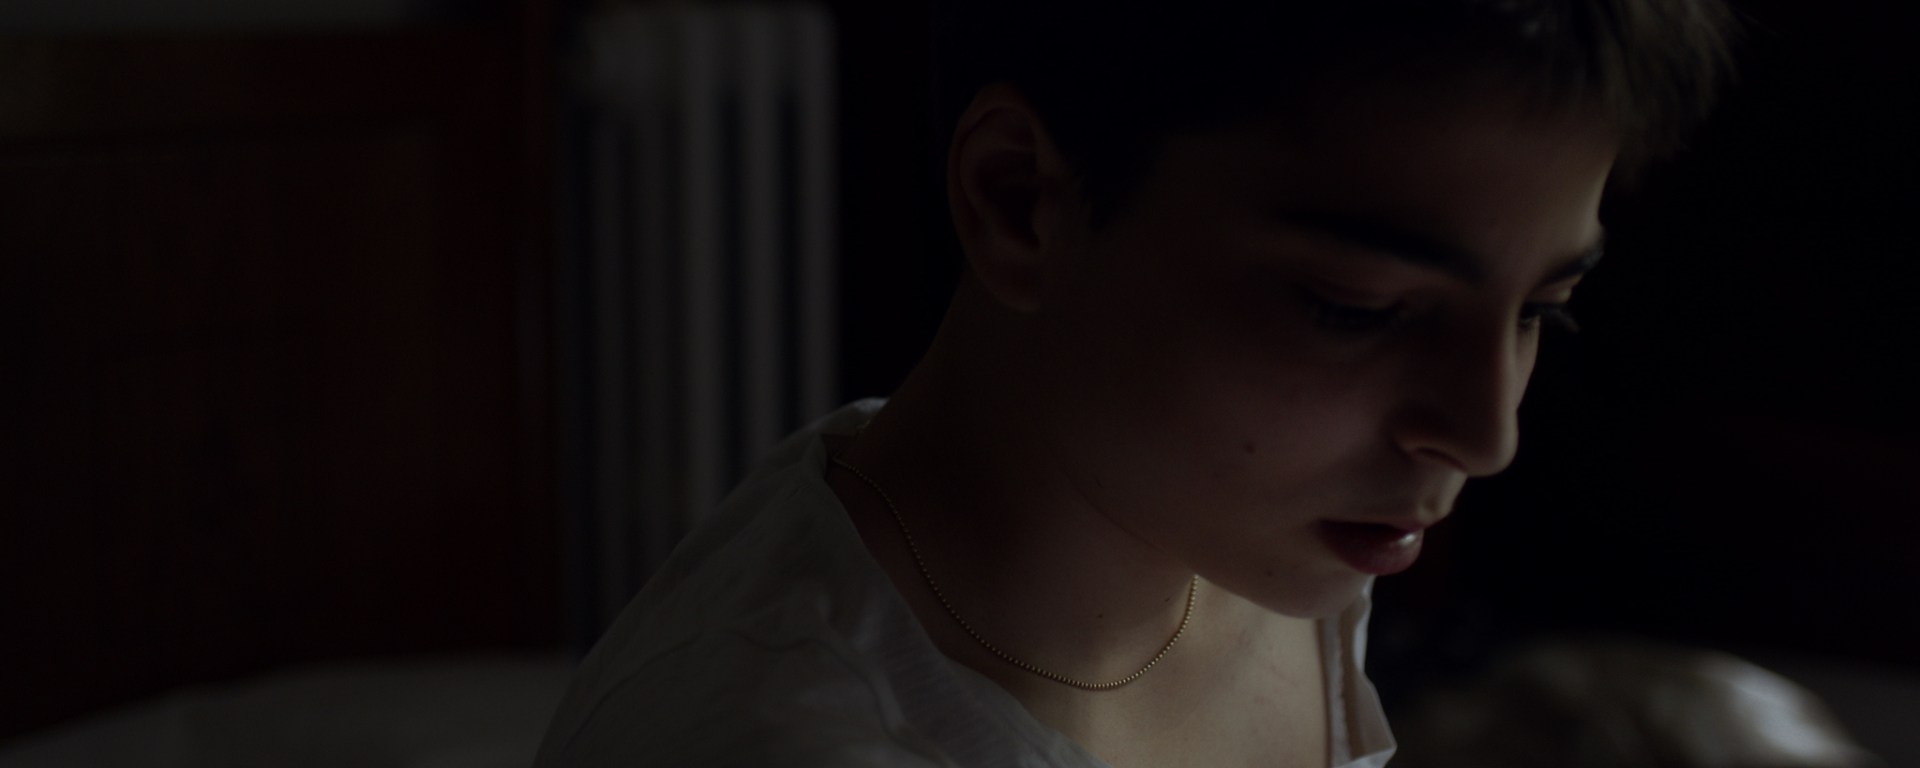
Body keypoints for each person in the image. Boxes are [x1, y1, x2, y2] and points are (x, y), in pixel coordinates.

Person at [534, 1, 1737, 766]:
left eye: (1539, 312)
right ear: (1021, 202)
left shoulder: (1253, 526)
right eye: (1356, 309)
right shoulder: (787, 732)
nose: (1485, 433)